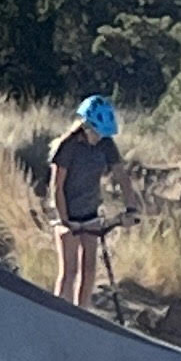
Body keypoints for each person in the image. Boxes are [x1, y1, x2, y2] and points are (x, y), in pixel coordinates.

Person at [43, 97, 122, 311]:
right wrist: (65, 220)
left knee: (89, 270)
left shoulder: (103, 145)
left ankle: (82, 313)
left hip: (90, 214)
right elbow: (57, 187)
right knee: (69, 272)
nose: (99, 138)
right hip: (67, 215)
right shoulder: (67, 147)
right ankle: (57, 316)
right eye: (96, 133)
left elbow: (121, 176)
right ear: (86, 126)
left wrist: (130, 208)